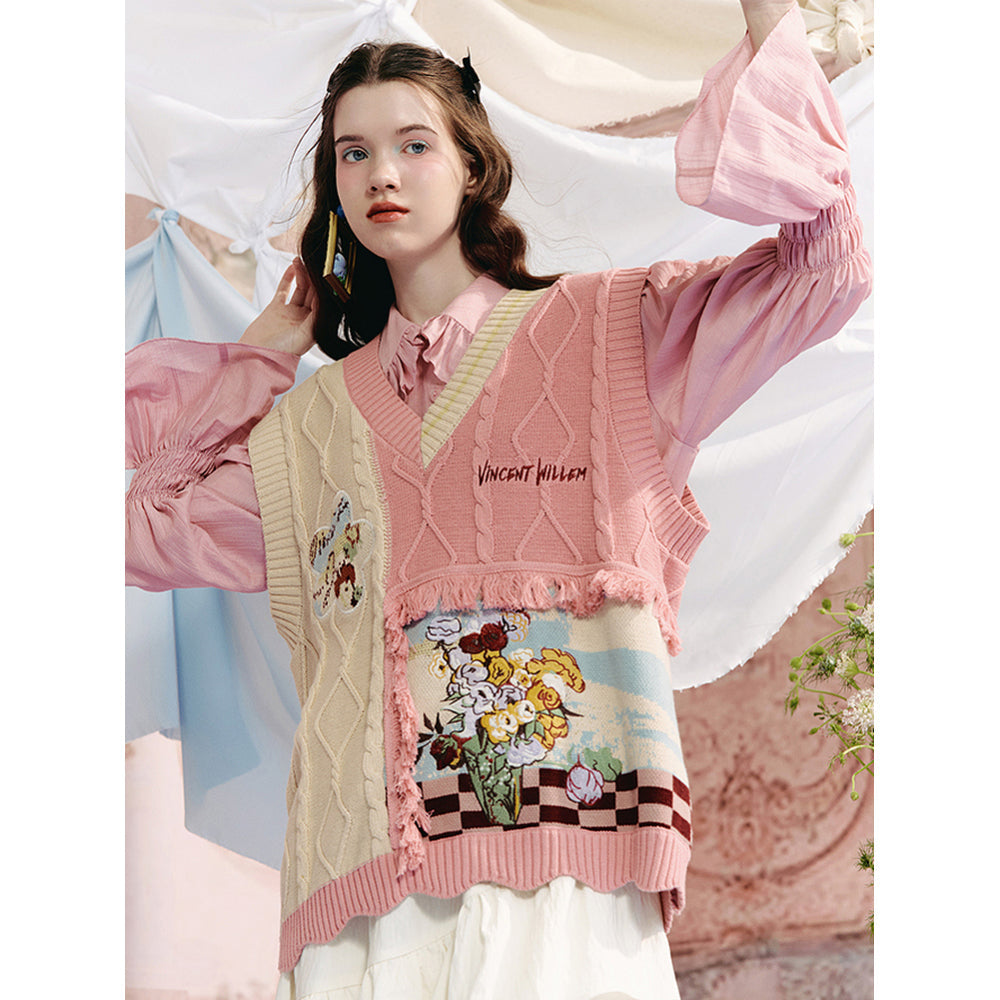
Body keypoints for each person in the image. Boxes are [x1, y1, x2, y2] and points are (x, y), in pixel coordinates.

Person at [125, 1, 872, 997]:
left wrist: (768, 12)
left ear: (472, 164)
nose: (381, 174)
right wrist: (258, 362)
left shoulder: (614, 336)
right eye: (353, 154)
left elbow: (825, 268)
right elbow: (143, 528)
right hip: (363, 906)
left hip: (571, 877)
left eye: (413, 144)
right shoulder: (311, 431)